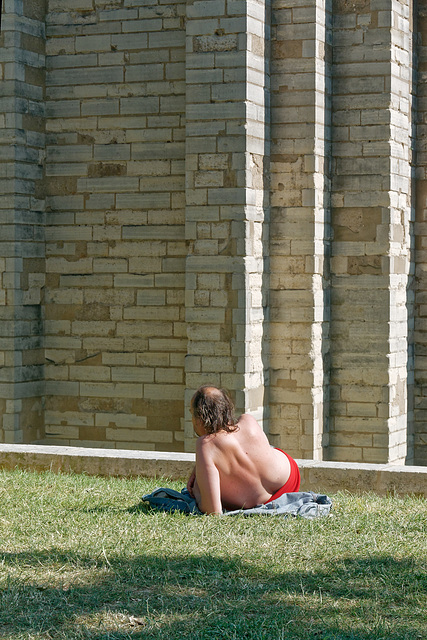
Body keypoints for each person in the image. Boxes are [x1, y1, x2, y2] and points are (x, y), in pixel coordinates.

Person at [186, 385, 300, 514]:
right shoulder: (248, 420)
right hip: (289, 478)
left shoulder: (205, 445)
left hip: (258, 501)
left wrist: (197, 492)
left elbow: (213, 510)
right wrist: (199, 468)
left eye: (192, 414)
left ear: (200, 418)